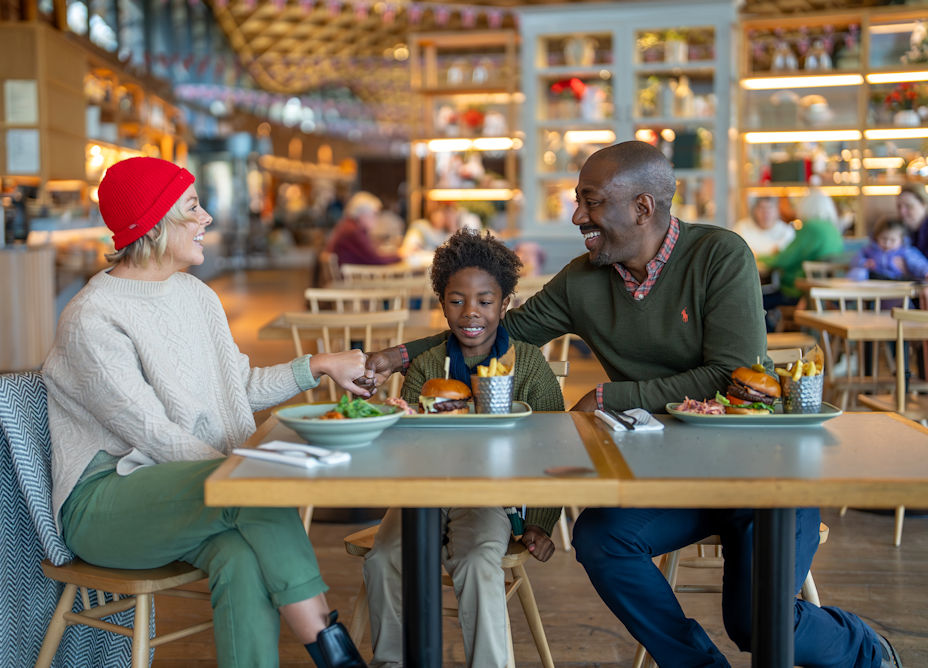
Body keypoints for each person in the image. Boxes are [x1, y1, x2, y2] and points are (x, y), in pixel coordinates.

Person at [359, 141, 901, 668]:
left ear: (643, 207)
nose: (576, 215)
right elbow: (494, 332)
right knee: (600, 541)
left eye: (591, 201)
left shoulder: (719, 255)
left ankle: (863, 649)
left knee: (757, 622)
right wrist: (396, 357)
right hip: (672, 476)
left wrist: (610, 395)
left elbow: (731, 377)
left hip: (764, 469)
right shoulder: (583, 280)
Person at [42, 157, 369, 668]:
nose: (207, 218)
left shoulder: (197, 295)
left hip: (183, 489)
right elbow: (153, 433)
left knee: (240, 559)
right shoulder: (93, 317)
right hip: (107, 504)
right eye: (193, 207)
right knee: (256, 488)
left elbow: (237, 388)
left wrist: (318, 365)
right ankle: (336, 656)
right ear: (154, 223)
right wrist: (242, 470)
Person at [362, 229, 564, 668]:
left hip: (491, 495)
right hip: (425, 492)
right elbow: (410, 443)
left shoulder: (527, 363)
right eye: (456, 301)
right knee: (383, 560)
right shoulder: (430, 364)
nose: (470, 313)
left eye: (485, 301)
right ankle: (393, 662)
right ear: (442, 304)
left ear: (505, 303)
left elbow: (555, 446)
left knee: (475, 562)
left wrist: (542, 522)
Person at [757, 189, 844, 332]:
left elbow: (784, 259)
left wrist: (757, 257)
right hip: (824, 293)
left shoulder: (811, 228)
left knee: (755, 300)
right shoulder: (832, 228)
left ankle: (767, 343)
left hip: (800, 292)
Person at [325, 191, 402, 266]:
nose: (376, 218)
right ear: (362, 214)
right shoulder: (352, 231)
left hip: (352, 273)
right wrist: (401, 256)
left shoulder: (348, 225)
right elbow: (376, 260)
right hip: (354, 276)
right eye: (374, 213)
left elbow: (369, 254)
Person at [848, 216, 928, 281]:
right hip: (874, 281)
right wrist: (864, 263)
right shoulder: (870, 249)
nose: (887, 243)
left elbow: (918, 263)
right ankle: (848, 295)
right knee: (858, 272)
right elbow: (854, 260)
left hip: (896, 281)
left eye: (892, 240)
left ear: (901, 240)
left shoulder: (905, 251)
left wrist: (925, 272)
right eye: (884, 238)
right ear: (876, 237)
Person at [897, 183, 928, 258]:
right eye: (899, 206)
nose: (902, 212)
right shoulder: (899, 229)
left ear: (924, 205)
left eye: (908, 206)